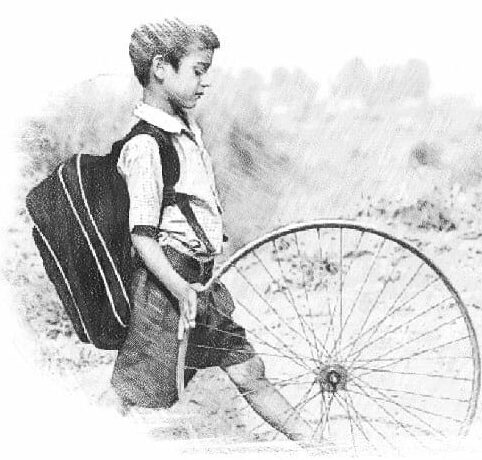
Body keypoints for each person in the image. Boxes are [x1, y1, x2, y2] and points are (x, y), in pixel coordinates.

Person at [107, 18, 313, 442]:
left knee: (249, 371)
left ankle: (324, 447)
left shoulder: (184, 131)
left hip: (201, 285)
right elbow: (142, 236)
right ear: (161, 68)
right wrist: (181, 290)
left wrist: (194, 284)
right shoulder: (146, 145)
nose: (206, 82)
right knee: (137, 401)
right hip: (165, 294)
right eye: (198, 70)